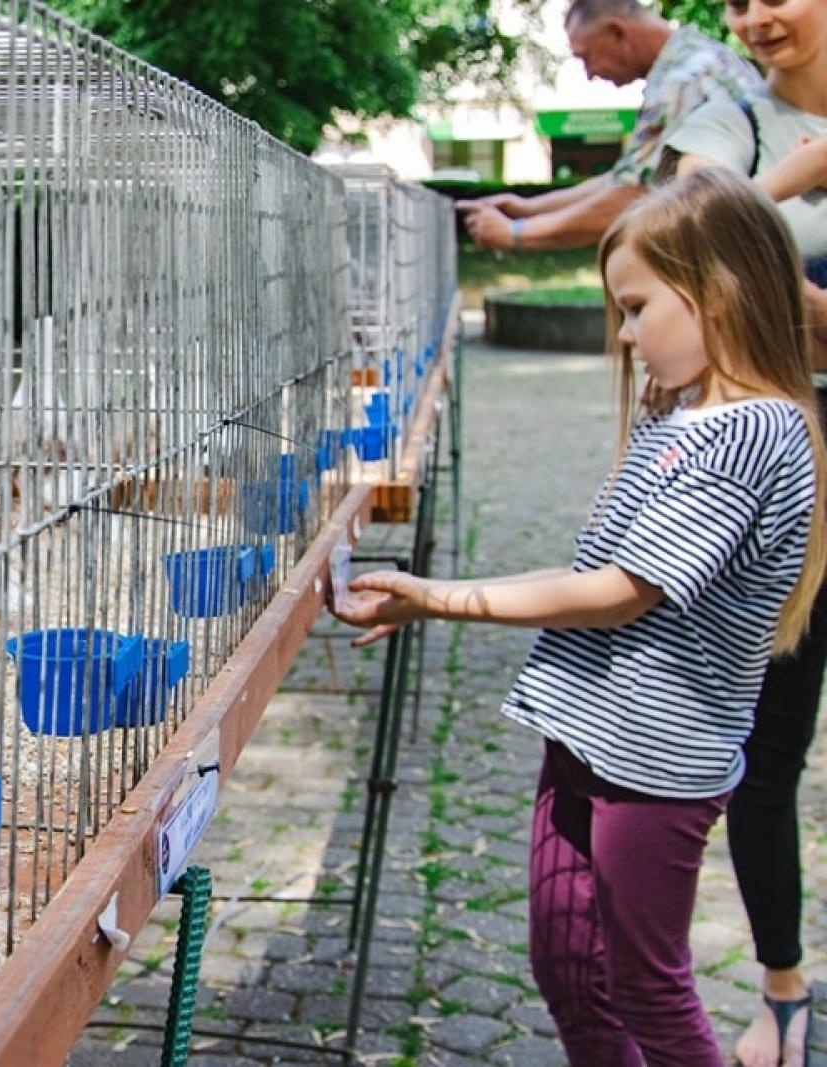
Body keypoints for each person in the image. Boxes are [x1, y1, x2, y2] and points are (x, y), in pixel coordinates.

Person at [334, 168, 827, 1066]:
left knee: (646, 981)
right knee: (565, 963)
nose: (628, 335)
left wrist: (442, 596)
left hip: (656, 761)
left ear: (717, 291)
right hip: (590, 732)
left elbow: (620, 589)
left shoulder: (749, 431)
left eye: (638, 309)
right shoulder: (684, 418)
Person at [663, 2, 827, 1062]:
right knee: (766, 753)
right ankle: (781, 983)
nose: (754, 16)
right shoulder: (733, 123)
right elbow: (675, 242)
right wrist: (799, 173)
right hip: (789, 455)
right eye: (734, 0)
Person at [459, 0, 760, 253]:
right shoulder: (688, 63)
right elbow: (624, 178)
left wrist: (517, 234)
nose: (589, 74)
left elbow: (636, 195)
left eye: (586, 57)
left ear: (617, 32)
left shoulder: (685, 79)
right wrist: (526, 208)